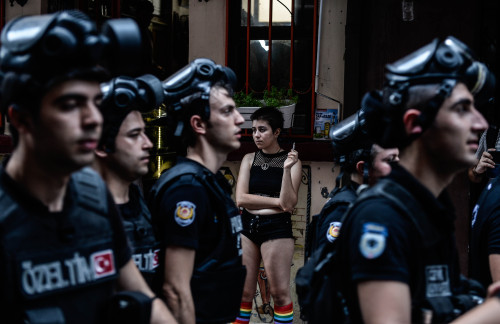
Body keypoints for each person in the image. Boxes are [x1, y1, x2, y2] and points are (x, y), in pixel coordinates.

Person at [0, 11, 175, 324]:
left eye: (95, 102)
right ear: (21, 119)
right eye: (70, 105)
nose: (93, 119)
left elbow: (147, 302)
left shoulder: (94, 197)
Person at [335, 36, 494, 323]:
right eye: (461, 109)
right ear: (414, 123)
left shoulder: (431, 209)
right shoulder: (381, 217)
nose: (480, 123)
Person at [148, 58, 247, 324]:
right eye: (227, 112)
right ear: (199, 125)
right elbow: (176, 290)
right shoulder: (187, 188)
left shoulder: (209, 182)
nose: (239, 120)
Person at [93, 74, 164, 287]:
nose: (148, 143)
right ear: (102, 146)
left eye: (145, 132)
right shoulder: (87, 214)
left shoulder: (138, 201)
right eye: (134, 135)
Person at [234, 107, 301, 324]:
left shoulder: (293, 162)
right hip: (247, 226)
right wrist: (277, 202)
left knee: (280, 293)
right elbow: (241, 199)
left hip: (277, 227)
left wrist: (286, 169)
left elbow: (289, 203)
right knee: (243, 294)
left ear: (277, 132)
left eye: (262, 130)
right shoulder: (248, 159)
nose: (256, 135)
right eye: (253, 130)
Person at [311, 141, 399, 252]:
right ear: (362, 168)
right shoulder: (342, 209)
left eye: (398, 159)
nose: (398, 167)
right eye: (390, 160)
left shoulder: (377, 201)